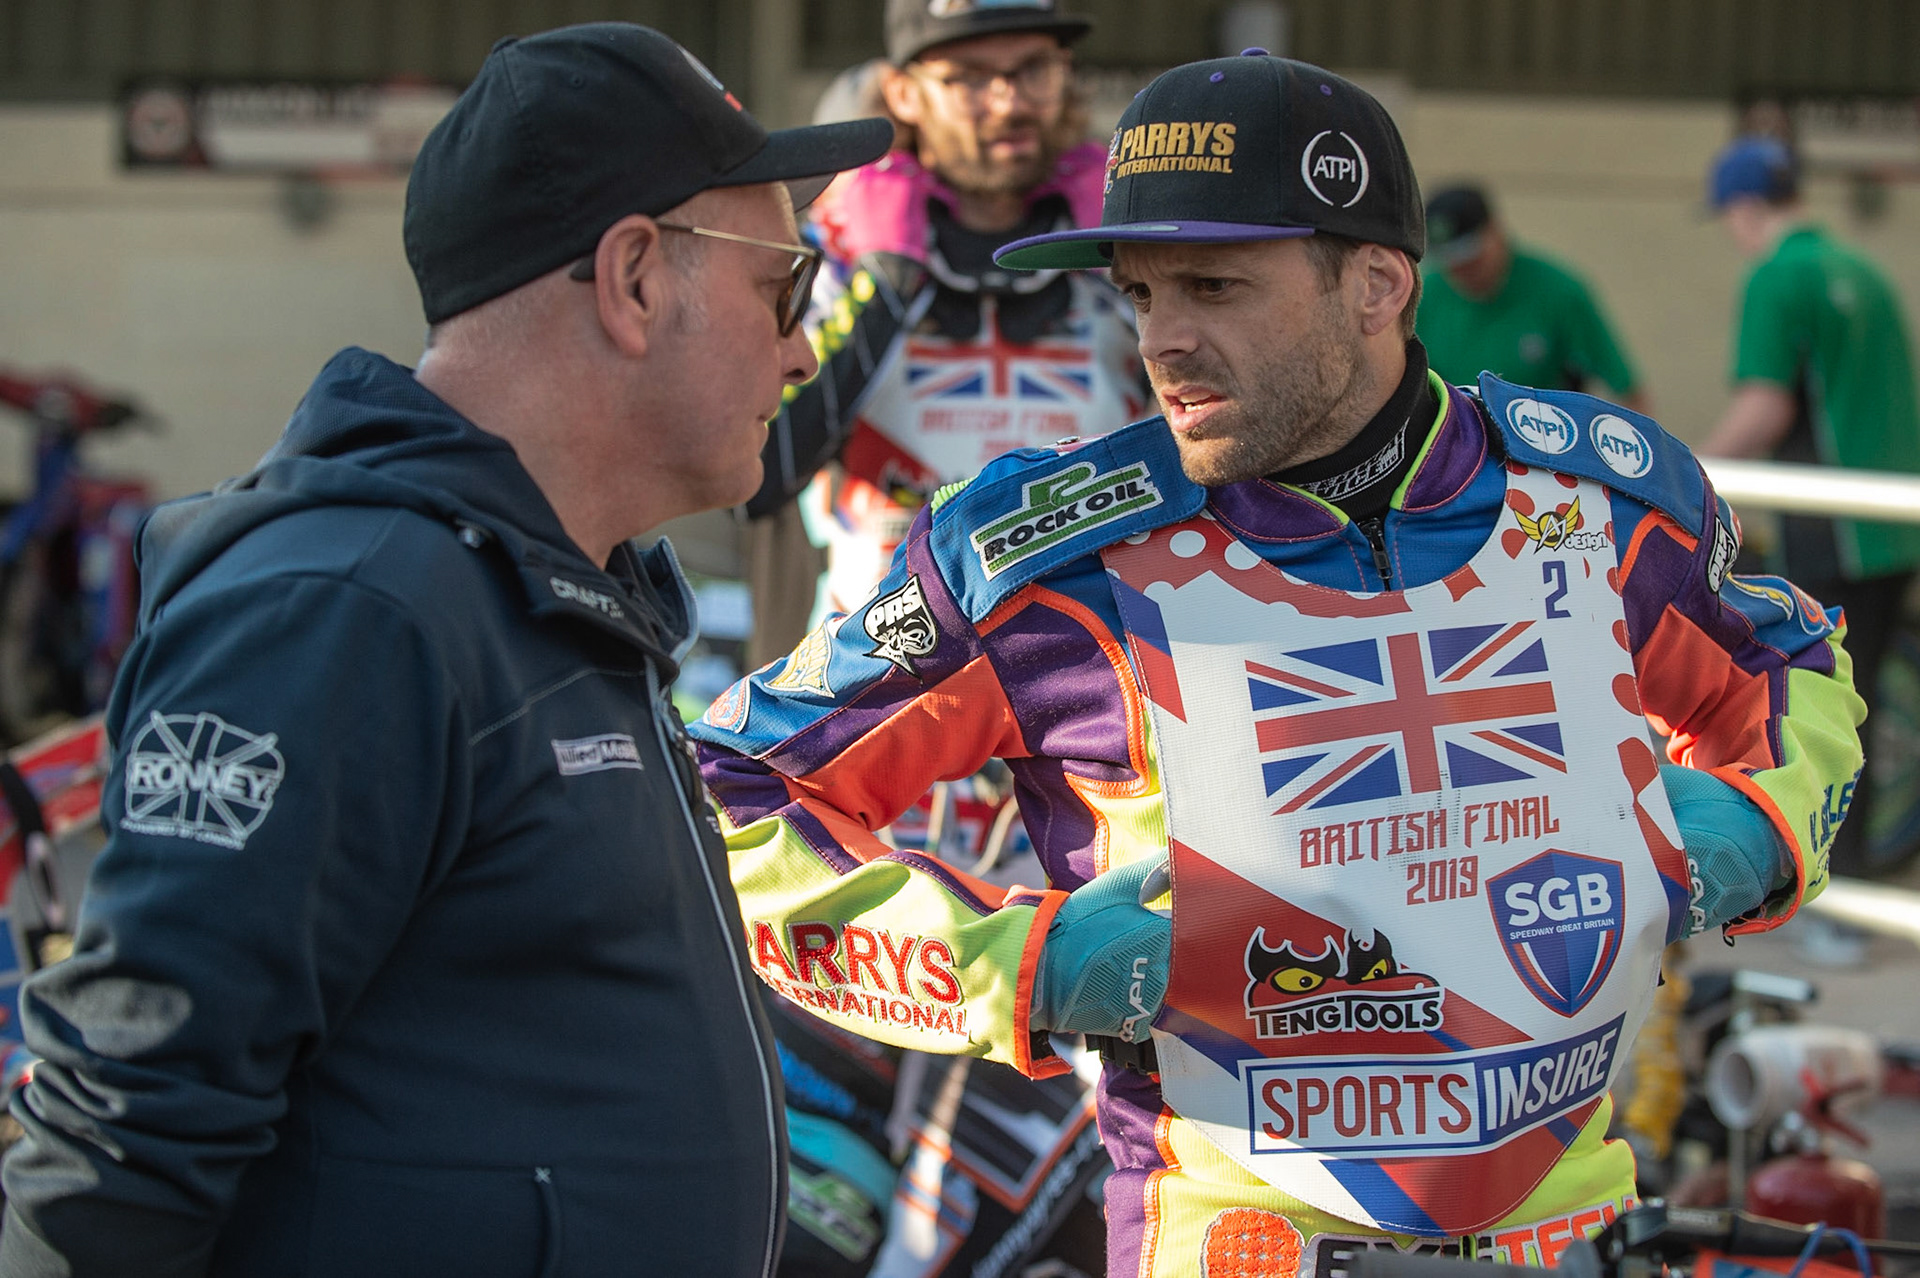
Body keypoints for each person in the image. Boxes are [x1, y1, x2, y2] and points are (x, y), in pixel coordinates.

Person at [691, 52, 1864, 1278]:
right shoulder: (1049, 559)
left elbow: (1790, 658)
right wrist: (1023, 965)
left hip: (1568, 1226)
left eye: (1213, 285)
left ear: (1376, 282)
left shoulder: (1602, 500)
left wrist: (1761, 824)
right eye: (1140, 293)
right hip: (1244, 1239)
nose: (1164, 341)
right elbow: (734, 790)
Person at [0, 23, 889, 1277]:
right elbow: (120, 1146)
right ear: (635, 279)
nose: (804, 349)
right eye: (783, 287)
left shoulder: (553, 601)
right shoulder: (351, 614)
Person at [747, 0, 1149, 625]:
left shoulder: (1130, 249)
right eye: (966, 77)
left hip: (1091, 668)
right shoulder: (840, 250)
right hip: (883, 673)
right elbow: (759, 476)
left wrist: (1133, 273)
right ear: (903, 93)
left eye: (1033, 68)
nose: (1007, 102)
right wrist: (882, 285)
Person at [1701, 135, 1920, 879]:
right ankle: (1856, 881)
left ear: (1746, 207)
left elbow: (1763, 406)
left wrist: (1685, 478)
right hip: (1891, 533)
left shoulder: (1776, 278)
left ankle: (1828, 888)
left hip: (1832, 536)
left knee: (1818, 717)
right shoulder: (1862, 267)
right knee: (1868, 709)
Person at [1418, 183, 1647, 411]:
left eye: (1471, 258)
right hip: (1456, 434)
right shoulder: (1423, 296)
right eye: (1449, 261)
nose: (1461, 271)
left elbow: (1628, 391)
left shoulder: (1558, 290)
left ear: (1496, 232)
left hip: (1545, 435)